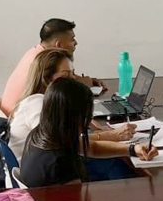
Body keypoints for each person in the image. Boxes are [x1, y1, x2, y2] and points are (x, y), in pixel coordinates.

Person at [18, 78, 155, 187]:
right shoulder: (61, 163)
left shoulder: (42, 134)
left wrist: (132, 149)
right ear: (75, 118)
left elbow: (91, 147)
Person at [8, 49, 134, 159]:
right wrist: (112, 135)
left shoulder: (52, 102)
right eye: (66, 75)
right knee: (117, 163)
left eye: (73, 73)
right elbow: (64, 144)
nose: (73, 79)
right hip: (39, 175)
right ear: (47, 79)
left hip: (50, 165)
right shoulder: (37, 104)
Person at [0, 18, 100, 115]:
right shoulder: (42, 60)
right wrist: (85, 83)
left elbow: (63, 76)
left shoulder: (35, 52)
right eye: (72, 39)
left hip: (15, 113)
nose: (76, 43)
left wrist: (85, 79)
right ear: (59, 45)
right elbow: (64, 88)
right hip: (23, 118)